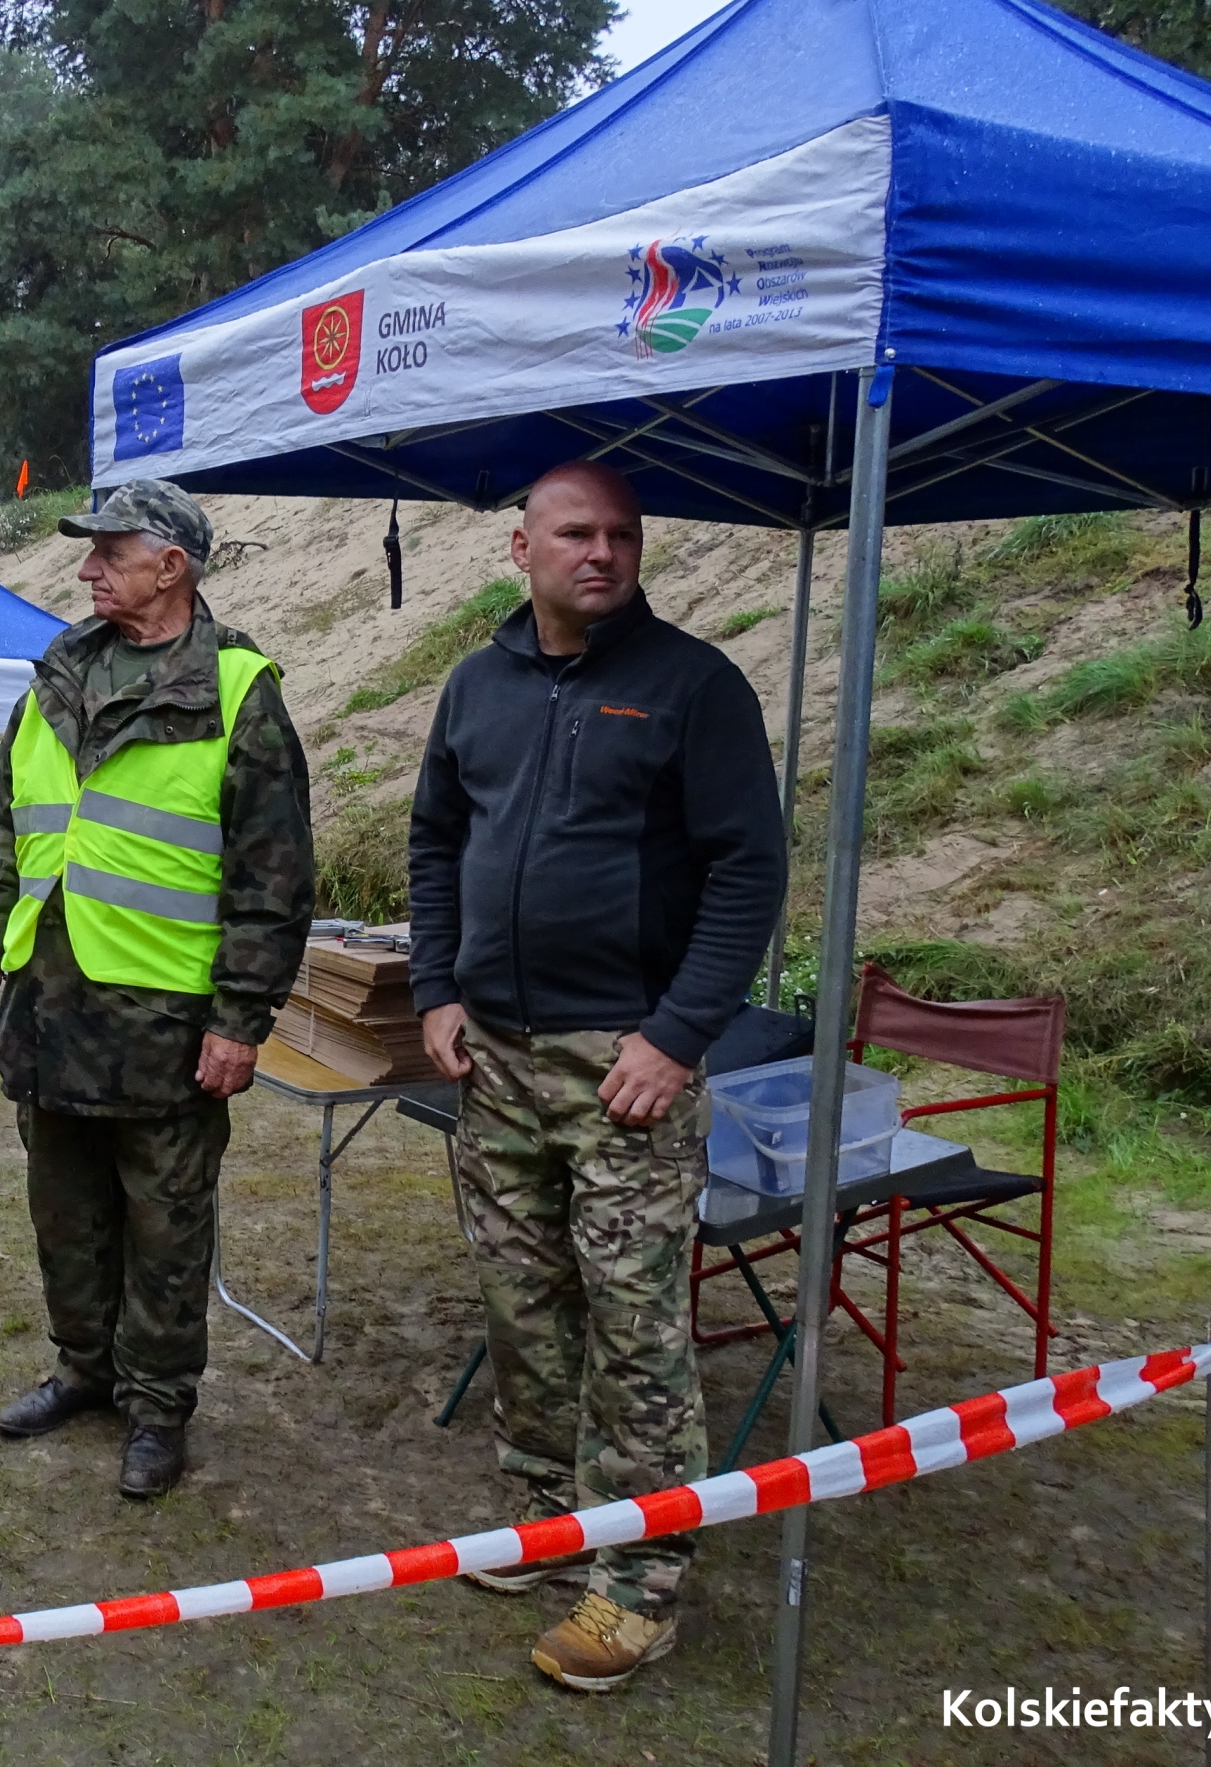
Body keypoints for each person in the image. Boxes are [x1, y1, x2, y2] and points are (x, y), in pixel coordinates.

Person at [406, 461, 785, 1694]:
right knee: (521, 1302)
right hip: (495, 1055)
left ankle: (639, 1578)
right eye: (576, 533)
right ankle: (542, 1514)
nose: (602, 553)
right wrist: (435, 987)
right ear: (521, 548)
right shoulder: (476, 685)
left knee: (634, 1325)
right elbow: (435, 840)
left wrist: (676, 1035)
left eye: (622, 535)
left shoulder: (692, 686)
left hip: (623, 1062)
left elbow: (747, 870)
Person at [0, 481, 314, 1501]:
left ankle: (158, 1406)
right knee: (65, 1214)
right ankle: (85, 1370)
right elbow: (7, 823)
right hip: (50, 1008)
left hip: (166, 1022)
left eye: (110, 553)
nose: (87, 570)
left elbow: (272, 875)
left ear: (172, 565)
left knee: (165, 1226)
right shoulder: (57, 675)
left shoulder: (235, 688)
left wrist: (241, 1018)